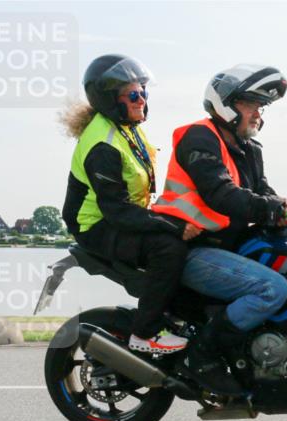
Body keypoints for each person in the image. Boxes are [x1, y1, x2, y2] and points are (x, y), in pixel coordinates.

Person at [152, 65, 287, 393]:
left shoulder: (249, 149)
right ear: (226, 105)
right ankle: (204, 356)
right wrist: (278, 209)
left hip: (224, 248)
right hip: (189, 248)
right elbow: (221, 194)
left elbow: (262, 194)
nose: (258, 114)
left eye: (261, 107)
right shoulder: (199, 137)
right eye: (252, 104)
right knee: (271, 289)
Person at [61, 54, 196, 354]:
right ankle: (145, 333)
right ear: (110, 99)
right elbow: (117, 211)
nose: (141, 100)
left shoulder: (125, 127)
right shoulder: (102, 145)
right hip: (96, 226)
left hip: (121, 217)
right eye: (133, 94)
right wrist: (173, 225)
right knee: (168, 248)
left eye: (144, 92)